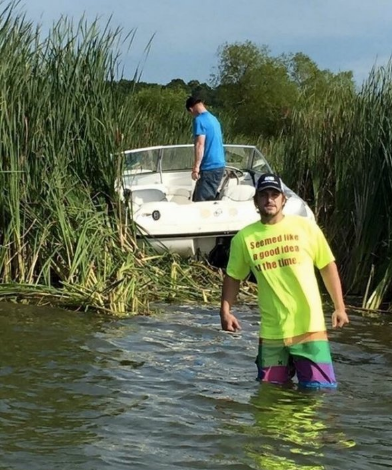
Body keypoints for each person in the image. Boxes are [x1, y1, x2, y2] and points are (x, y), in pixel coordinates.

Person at [220, 173, 349, 388]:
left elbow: (327, 266)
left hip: (310, 327)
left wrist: (339, 307)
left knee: (319, 394)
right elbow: (233, 277)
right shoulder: (244, 239)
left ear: (283, 200)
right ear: (256, 201)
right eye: (263, 195)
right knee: (271, 395)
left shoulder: (306, 228)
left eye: (274, 194)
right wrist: (225, 310)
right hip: (272, 332)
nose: (269, 199)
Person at [185, 96, 226, 201]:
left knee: (201, 203)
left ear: (191, 109)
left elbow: (200, 144)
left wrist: (196, 168)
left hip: (209, 167)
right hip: (219, 165)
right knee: (204, 198)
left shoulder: (199, 120)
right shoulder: (214, 119)